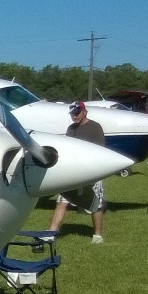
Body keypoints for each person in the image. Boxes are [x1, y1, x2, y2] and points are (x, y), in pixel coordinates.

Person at [48, 101, 107, 243]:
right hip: (73, 172)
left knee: (96, 204)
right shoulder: (71, 129)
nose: (74, 116)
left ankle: (97, 236)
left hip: (92, 171)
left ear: (84, 112)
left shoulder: (95, 127)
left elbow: (100, 150)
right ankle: (50, 234)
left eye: (77, 113)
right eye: (72, 114)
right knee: (62, 201)